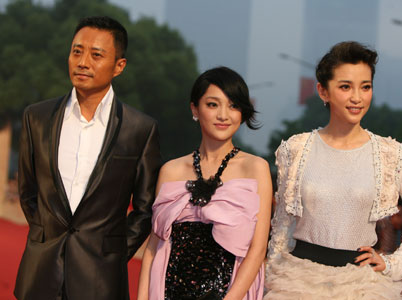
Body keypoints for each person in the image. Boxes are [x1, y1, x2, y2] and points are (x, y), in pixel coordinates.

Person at [265, 41, 402, 299]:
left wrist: (394, 263)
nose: (357, 97)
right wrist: (274, 274)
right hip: (297, 283)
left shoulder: (390, 154)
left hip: (363, 287)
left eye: (366, 87)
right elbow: (282, 222)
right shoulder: (296, 149)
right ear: (323, 91)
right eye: (345, 87)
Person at [14, 16, 161, 300]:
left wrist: (110, 251)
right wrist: (47, 237)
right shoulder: (37, 118)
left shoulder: (140, 129)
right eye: (77, 51)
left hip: (100, 280)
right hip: (40, 276)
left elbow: (145, 210)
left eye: (96, 55)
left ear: (119, 66)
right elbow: (27, 192)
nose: (82, 62)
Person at [137, 66, 272, 300]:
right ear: (195, 109)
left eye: (233, 106)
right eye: (212, 104)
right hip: (169, 291)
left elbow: (257, 250)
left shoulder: (256, 168)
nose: (223, 115)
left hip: (230, 293)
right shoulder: (171, 170)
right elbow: (153, 247)